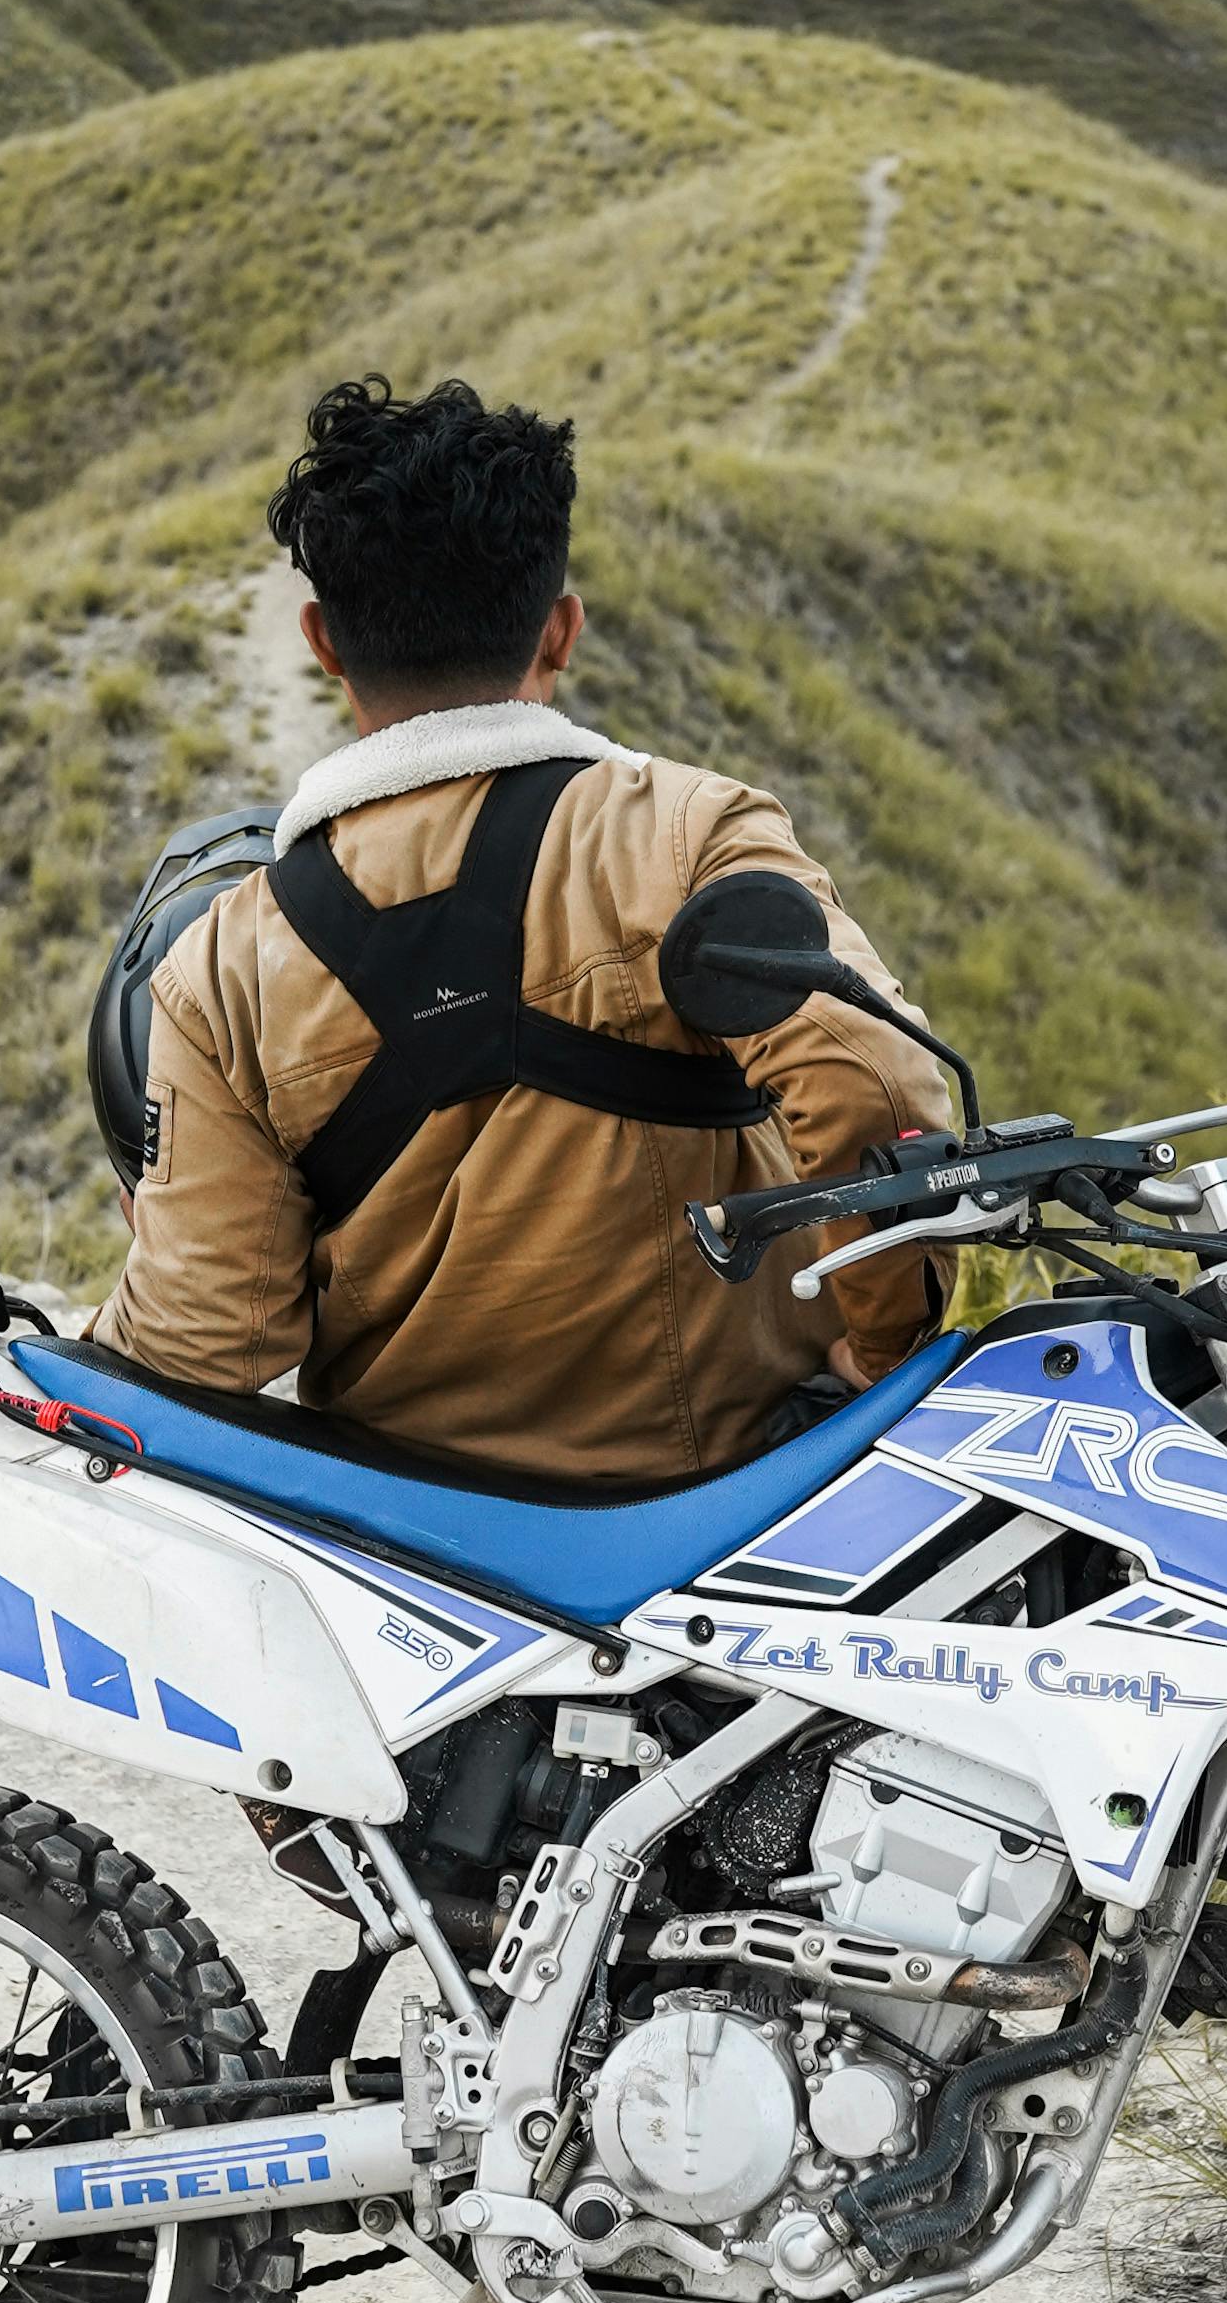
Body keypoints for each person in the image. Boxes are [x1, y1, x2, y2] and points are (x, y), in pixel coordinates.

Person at [93, 374, 947, 1483]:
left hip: (430, 1555)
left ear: (324, 644)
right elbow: (877, 1097)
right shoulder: (686, 833)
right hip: (744, 1495)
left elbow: (205, 1337)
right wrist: (881, 1345)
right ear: (560, 629)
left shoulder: (220, 966)